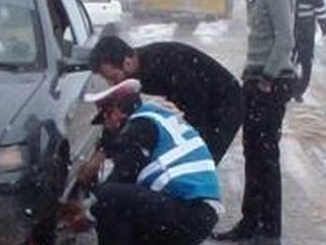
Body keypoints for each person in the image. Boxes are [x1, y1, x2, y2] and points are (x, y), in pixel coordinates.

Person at [72, 79, 222, 245]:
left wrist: (83, 210)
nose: (105, 125)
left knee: (107, 199)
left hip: (189, 211)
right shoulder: (153, 116)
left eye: (104, 116)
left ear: (116, 112)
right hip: (199, 213)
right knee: (123, 219)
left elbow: (119, 182)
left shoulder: (139, 129)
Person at [217, 0, 295, 245]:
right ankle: (249, 223)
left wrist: (266, 78)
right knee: (253, 154)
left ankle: (270, 233)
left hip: (271, 83)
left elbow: (285, 40)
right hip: (256, 80)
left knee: (267, 158)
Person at [88, 35, 241, 164]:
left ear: (127, 62)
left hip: (224, 102)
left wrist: (187, 142)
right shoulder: (133, 72)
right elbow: (122, 111)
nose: (114, 84)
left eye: (114, 77)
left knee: (200, 160)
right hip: (197, 99)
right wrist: (102, 150)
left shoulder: (165, 63)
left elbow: (193, 107)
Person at [283, 0, 326, 102]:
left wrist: (325, 28)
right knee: (286, 63)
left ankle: (299, 91)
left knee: (306, 63)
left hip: (306, 33)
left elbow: (320, 10)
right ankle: (287, 89)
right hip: (287, 33)